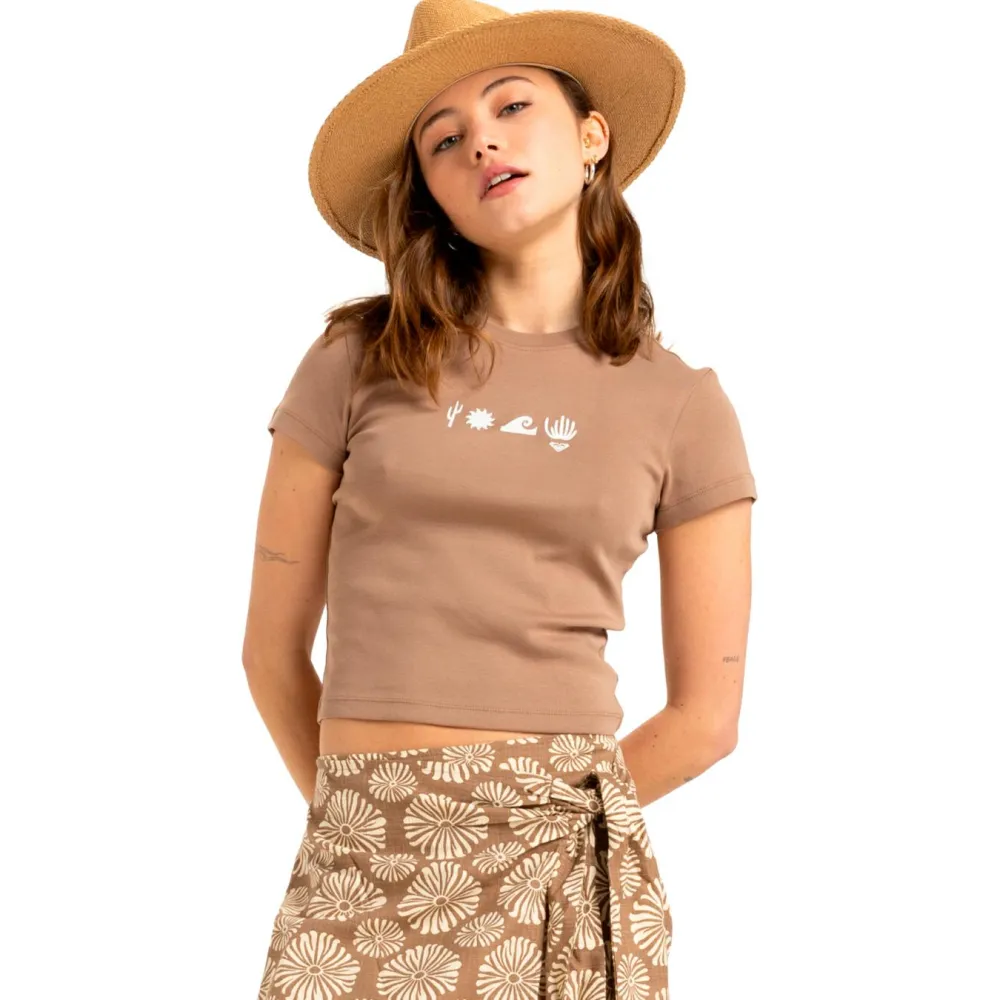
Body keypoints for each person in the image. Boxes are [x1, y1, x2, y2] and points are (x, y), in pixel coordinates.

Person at [245, 2, 757, 997]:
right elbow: (269, 651)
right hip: (359, 866)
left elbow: (707, 718)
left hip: (560, 870)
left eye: (511, 106)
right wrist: (368, 815)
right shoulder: (353, 361)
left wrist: (545, 816)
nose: (480, 139)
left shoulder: (683, 405)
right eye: (443, 139)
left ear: (591, 137)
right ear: (431, 193)